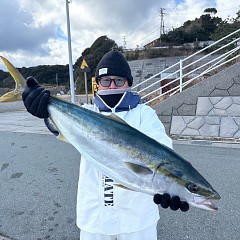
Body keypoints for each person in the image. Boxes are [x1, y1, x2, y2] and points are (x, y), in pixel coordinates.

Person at [22, 50, 189, 240]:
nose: (111, 85)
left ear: (128, 83)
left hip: (137, 220)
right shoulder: (86, 112)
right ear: (97, 84)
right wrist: (44, 111)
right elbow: (60, 129)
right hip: (94, 218)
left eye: (119, 81)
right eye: (105, 80)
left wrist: (172, 186)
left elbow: (162, 149)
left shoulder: (144, 114)